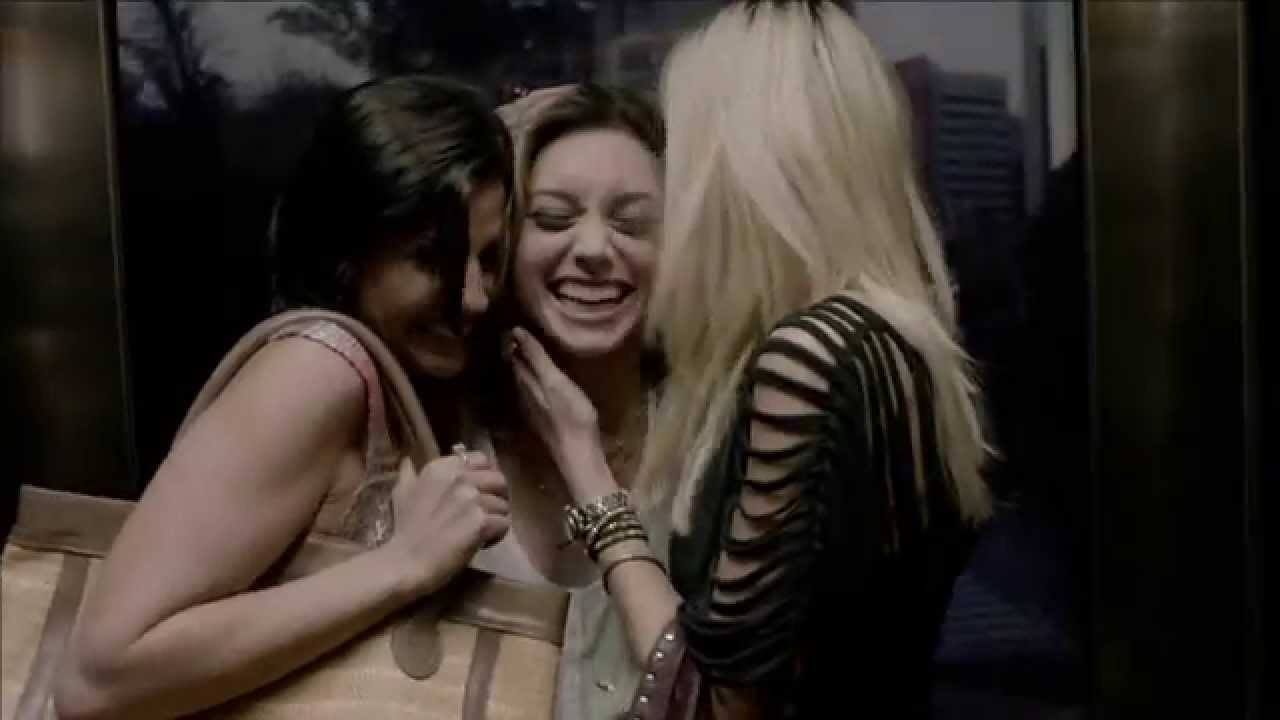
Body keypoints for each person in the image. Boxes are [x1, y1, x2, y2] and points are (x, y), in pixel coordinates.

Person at [506, 1, 993, 717]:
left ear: (742, 164)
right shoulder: (903, 343)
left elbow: (715, 704)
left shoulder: (809, 358)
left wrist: (590, 478)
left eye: (692, 149)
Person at [55, 75, 515, 720]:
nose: (474, 296)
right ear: (351, 248)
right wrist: (405, 563)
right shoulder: (316, 369)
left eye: (488, 259)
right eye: (434, 260)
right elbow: (97, 676)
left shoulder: (390, 386)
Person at [471, 83, 667, 719]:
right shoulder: (439, 434)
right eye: (553, 219)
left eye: (631, 223)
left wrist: (585, 462)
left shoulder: (712, 443)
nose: (593, 251)